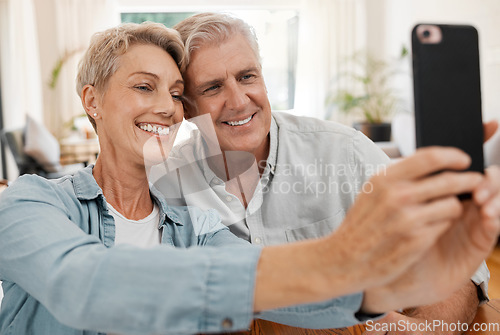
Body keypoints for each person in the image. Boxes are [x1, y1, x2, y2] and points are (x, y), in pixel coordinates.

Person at [0, 22, 497, 335]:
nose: (164, 107)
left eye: (174, 93)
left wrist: (389, 290)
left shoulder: (190, 223)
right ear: (91, 101)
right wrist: (344, 258)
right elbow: (84, 284)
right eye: (143, 87)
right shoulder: (33, 203)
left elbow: (282, 289)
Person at [144, 12, 500, 333]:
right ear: (185, 107)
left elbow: (452, 267)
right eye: (213, 87)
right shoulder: (167, 182)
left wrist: (423, 330)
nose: (238, 100)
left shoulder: (343, 150)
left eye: (247, 76)